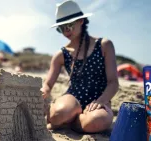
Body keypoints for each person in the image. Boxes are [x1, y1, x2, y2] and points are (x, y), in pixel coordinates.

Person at [41, 0, 119, 133]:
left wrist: (101, 101)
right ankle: (68, 118)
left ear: (81, 21)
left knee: (96, 121)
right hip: (73, 98)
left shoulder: (104, 45)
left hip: (99, 99)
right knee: (58, 113)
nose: (66, 31)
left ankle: (71, 122)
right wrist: (44, 91)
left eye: (69, 25)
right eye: (61, 28)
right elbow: (48, 84)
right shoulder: (61, 54)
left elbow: (113, 82)